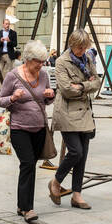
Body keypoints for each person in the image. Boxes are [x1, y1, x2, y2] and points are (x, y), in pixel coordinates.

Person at [0, 40, 56, 224]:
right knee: (28, 163)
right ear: (28, 59)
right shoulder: (13, 76)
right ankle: (28, 209)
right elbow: (1, 100)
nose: (41, 65)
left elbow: (45, 100)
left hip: (39, 127)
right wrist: (13, 97)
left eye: (43, 61)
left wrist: (50, 96)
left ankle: (21, 204)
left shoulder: (44, 75)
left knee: (30, 166)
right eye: (38, 61)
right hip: (19, 128)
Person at [47, 30, 101, 211]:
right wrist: (87, 85)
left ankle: (77, 195)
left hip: (84, 112)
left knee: (82, 155)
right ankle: (56, 181)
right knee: (76, 152)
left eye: (85, 47)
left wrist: (81, 86)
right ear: (72, 45)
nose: (83, 50)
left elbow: (97, 82)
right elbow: (66, 89)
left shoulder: (87, 59)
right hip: (67, 112)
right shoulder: (62, 62)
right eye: (80, 47)